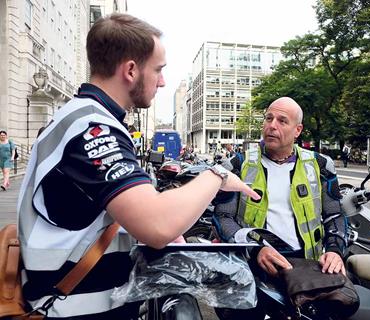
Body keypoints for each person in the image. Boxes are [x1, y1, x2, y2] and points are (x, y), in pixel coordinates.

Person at [17, 13, 259, 320]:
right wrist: (216, 176)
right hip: (71, 309)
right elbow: (156, 224)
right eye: (157, 70)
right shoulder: (94, 128)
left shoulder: (83, 117)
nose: (162, 81)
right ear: (131, 70)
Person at [214, 97, 347, 318]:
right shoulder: (239, 165)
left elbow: (334, 214)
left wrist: (334, 251)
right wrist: (256, 248)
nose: (272, 125)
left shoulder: (321, 165)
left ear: (297, 130)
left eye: (282, 121)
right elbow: (223, 217)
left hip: (305, 267)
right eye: (268, 118)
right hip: (251, 263)